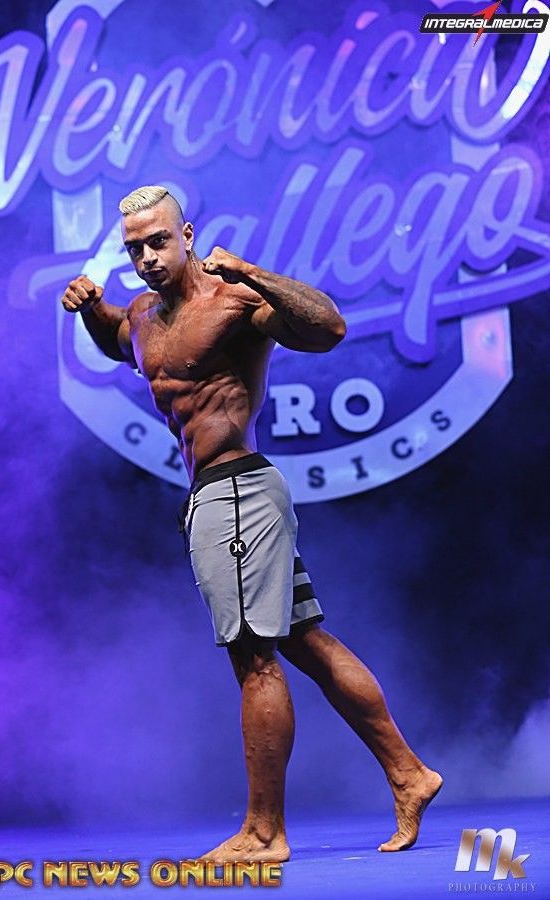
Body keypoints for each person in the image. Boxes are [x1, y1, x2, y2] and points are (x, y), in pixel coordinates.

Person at [60, 185, 442, 864]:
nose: (148, 258)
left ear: (187, 235)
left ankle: (264, 833)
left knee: (254, 658)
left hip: (239, 493)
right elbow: (121, 343)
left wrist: (251, 271)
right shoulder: (145, 314)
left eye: (159, 241)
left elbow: (329, 328)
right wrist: (92, 309)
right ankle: (409, 774)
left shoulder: (231, 299)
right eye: (135, 248)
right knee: (303, 640)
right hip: (217, 495)